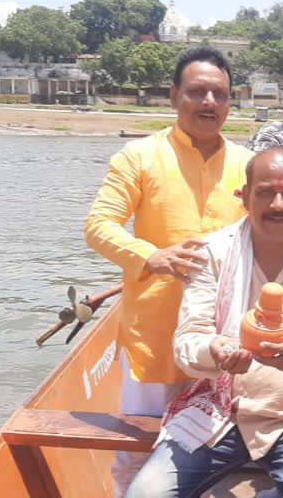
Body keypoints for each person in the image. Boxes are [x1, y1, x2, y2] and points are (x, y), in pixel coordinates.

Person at [126, 148, 283, 498]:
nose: (278, 204)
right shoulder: (213, 254)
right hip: (221, 411)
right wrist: (215, 351)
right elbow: (187, 341)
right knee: (144, 495)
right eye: (265, 192)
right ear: (244, 197)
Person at [84, 48, 253, 496]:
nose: (208, 102)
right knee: (138, 451)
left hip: (225, 341)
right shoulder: (138, 156)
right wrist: (150, 256)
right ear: (174, 95)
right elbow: (98, 225)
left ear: (231, 101)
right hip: (154, 336)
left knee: (219, 449)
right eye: (197, 92)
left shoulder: (247, 165)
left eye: (219, 93)